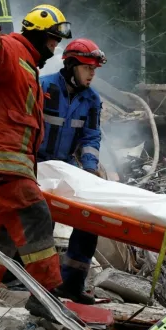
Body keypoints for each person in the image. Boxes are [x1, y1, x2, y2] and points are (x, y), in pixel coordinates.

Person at [0, 4, 74, 316]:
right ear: (37, 34)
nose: (54, 46)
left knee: (6, 228)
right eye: (52, 39)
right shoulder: (13, 48)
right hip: (0, 155)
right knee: (36, 215)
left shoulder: (29, 64)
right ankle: (46, 297)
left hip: (10, 158)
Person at [36, 38, 107, 304]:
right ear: (70, 65)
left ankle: (72, 284)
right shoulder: (42, 87)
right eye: (87, 68)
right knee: (39, 219)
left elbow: (91, 137)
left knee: (90, 217)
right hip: (37, 164)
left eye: (94, 69)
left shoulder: (91, 100)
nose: (92, 74)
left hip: (66, 167)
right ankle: (29, 278)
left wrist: (89, 169)